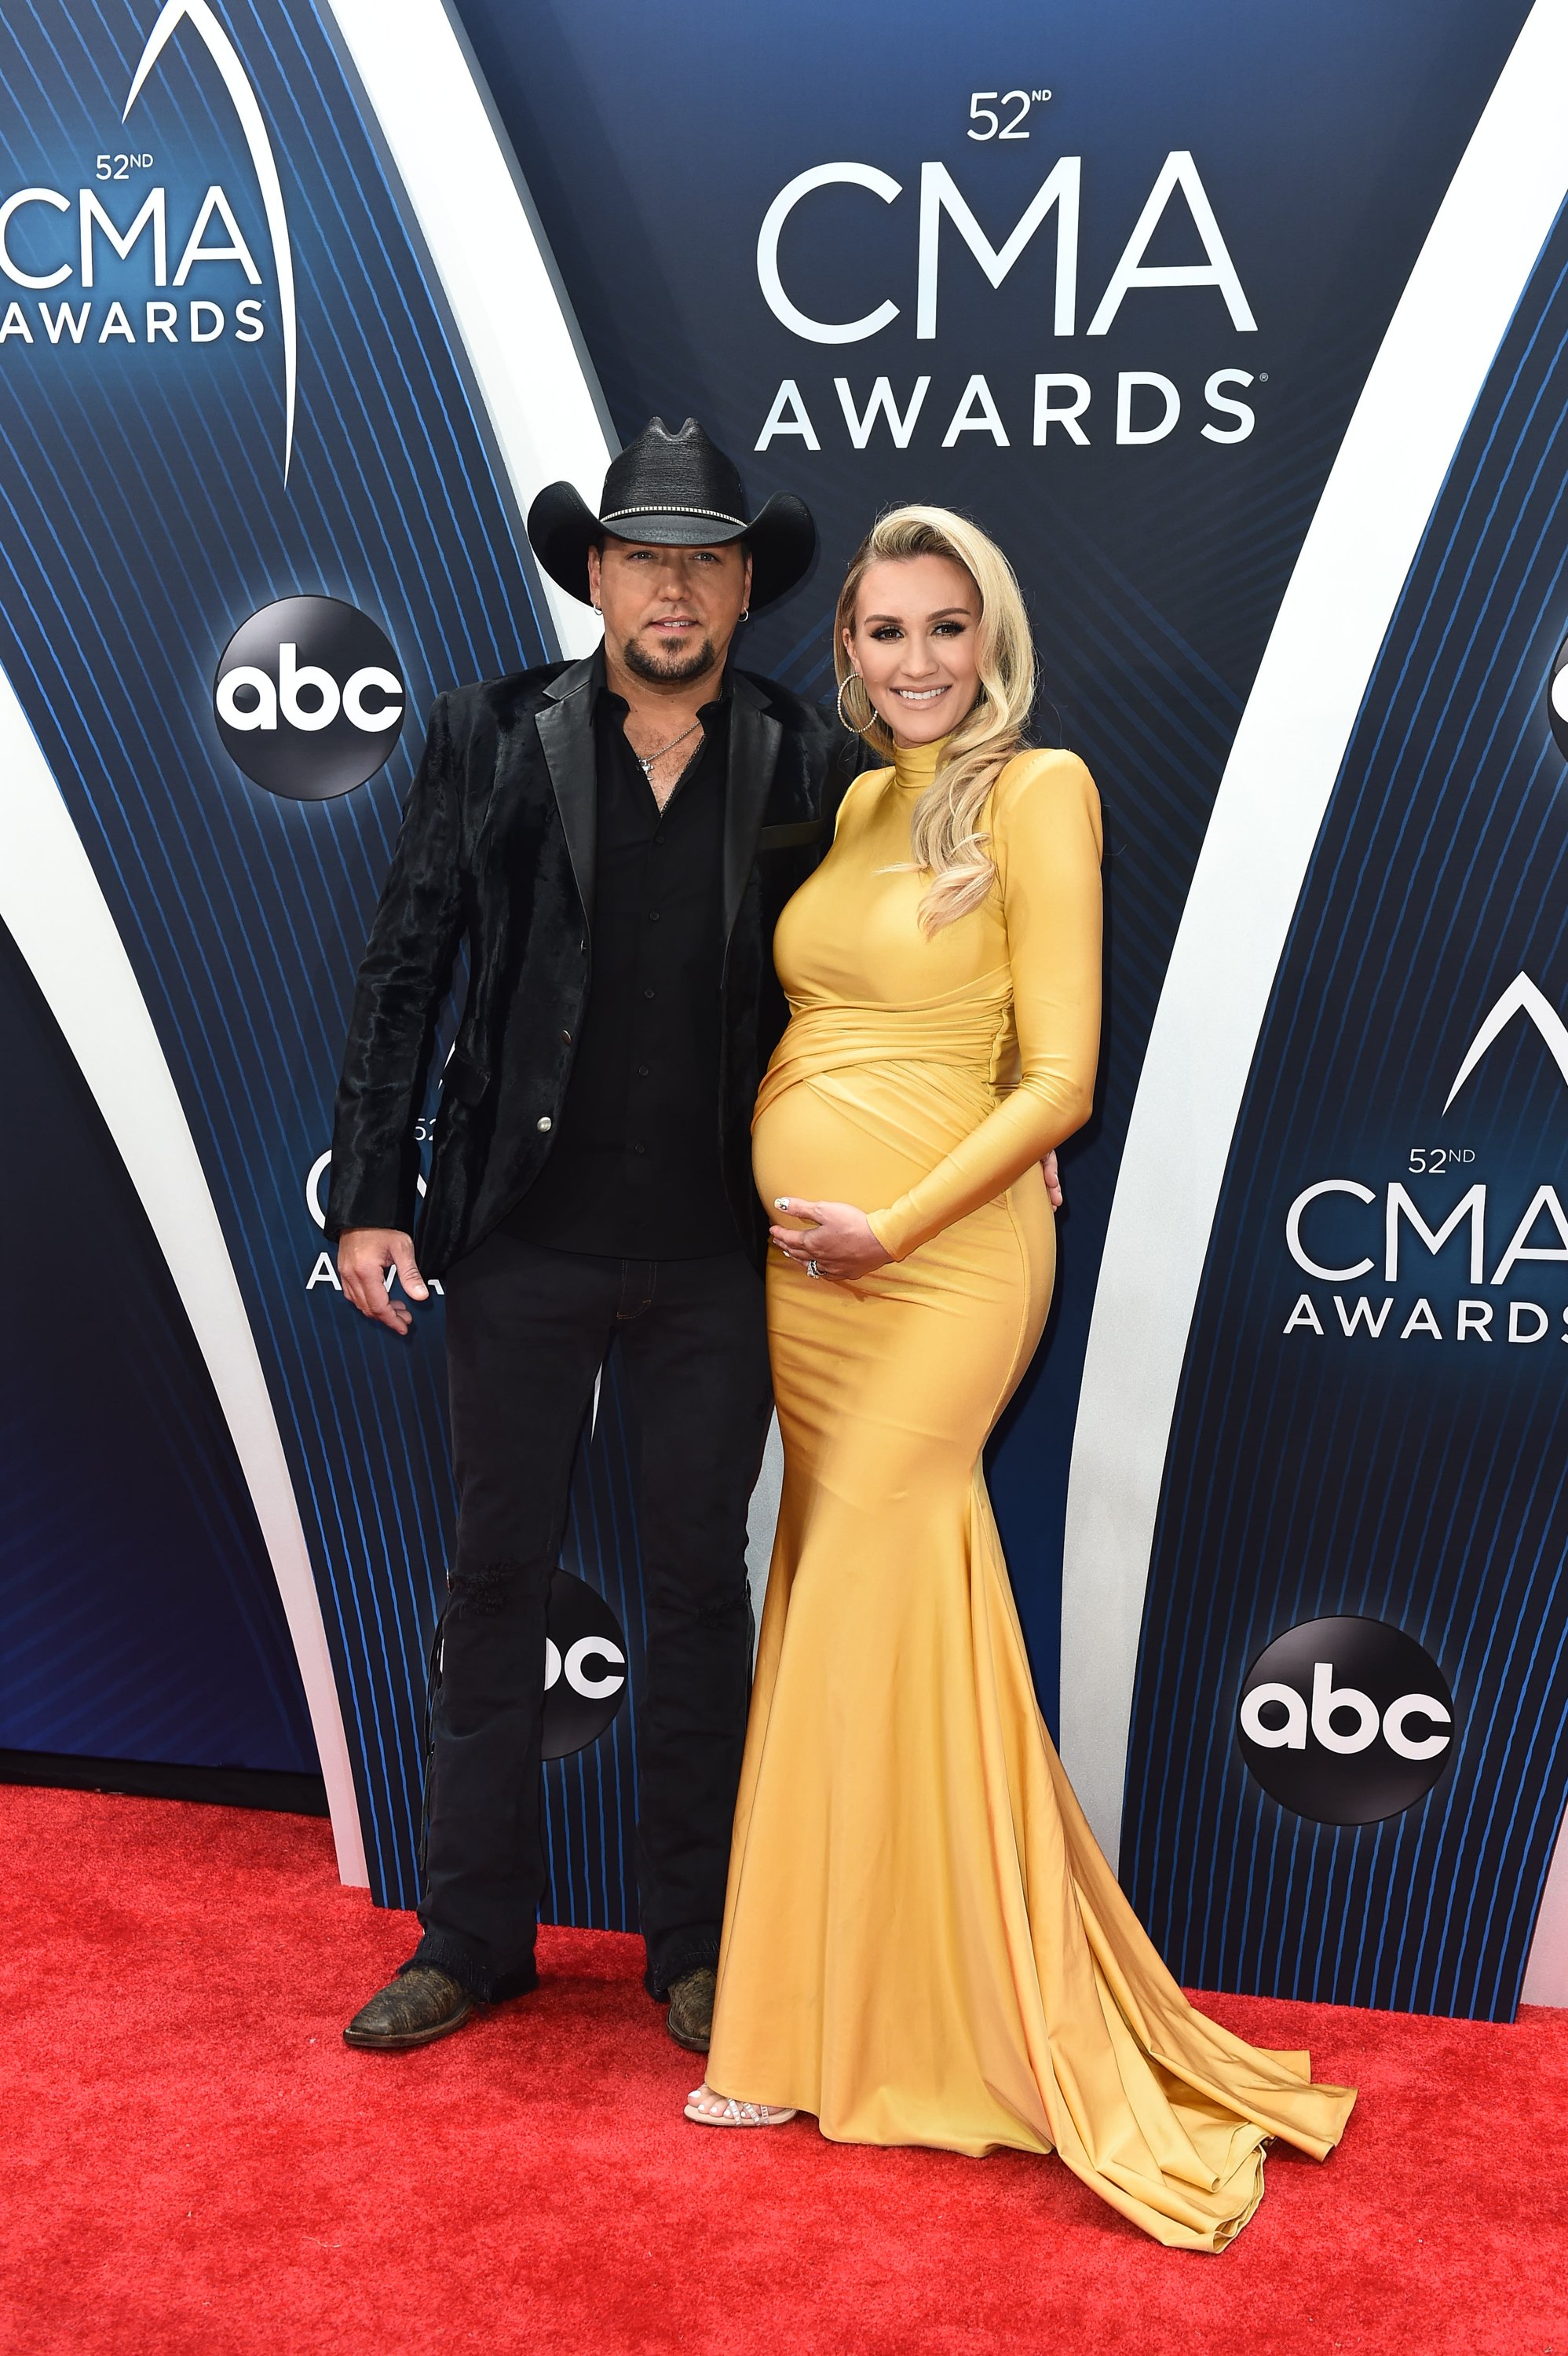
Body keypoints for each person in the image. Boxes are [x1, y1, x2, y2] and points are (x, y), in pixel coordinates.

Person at [682, 506, 1356, 2252]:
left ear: (995, 643)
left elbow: (1059, 1078)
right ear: (846, 656)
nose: (915, 662)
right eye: (884, 633)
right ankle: (864, 1993)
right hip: (812, 1270)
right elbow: (830, 1015)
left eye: (945, 631)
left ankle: (809, 2021)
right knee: (842, 1582)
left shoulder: (1042, 793)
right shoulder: (853, 803)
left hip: (933, 1261)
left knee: (871, 1577)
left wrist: (896, 1221)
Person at [327, 416, 861, 2056]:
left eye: (708, 557)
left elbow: (879, 984)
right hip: (524, 1242)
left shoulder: (803, 759)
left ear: (748, 584)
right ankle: (471, 1935)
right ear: (599, 573)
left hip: (719, 1252)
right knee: (494, 1583)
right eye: (647, 554)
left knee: (701, 1592)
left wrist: (1000, 1128)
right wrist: (370, 1193)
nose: (677, 585)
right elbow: (407, 967)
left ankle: (695, 1950)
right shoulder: (491, 733)